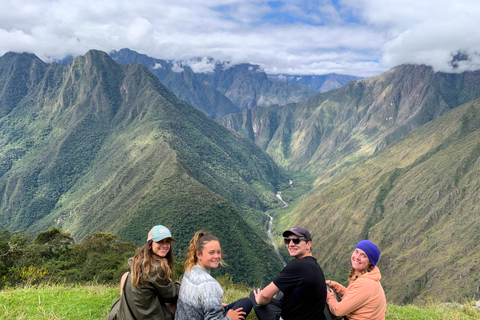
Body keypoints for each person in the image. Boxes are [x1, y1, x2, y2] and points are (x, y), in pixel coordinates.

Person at [251, 226, 327, 320]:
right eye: (287, 240)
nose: (290, 244)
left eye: (296, 240)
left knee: (254, 294)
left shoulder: (297, 265)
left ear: (308, 244)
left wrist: (259, 300)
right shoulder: (315, 265)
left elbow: (266, 294)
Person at [175, 231, 253, 320]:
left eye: (218, 252)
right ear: (199, 254)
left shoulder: (190, 269)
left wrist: (215, 304)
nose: (216, 256)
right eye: (211, 253)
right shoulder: (209, 284)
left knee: (246, 301)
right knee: (246, 304)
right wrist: (228, 318)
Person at [107, 225, 180, 320]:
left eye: (167, 241)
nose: (165, 245)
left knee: (125, 275)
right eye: (159, 241)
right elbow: (171, 295)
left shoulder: (137, 261)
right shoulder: (156, 268)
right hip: (144, 316)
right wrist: (182, 285)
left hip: (125, 314)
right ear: (151, 243)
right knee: (179, 301)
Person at [325, 240, 386, 320]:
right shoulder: (366, 275)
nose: (357, 257)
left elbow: (338, 311)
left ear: (370, 262)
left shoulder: (366, 283)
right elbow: (353, 296)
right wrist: (337, 286)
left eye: (363, 255)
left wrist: (330, 297)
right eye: (356, 252)